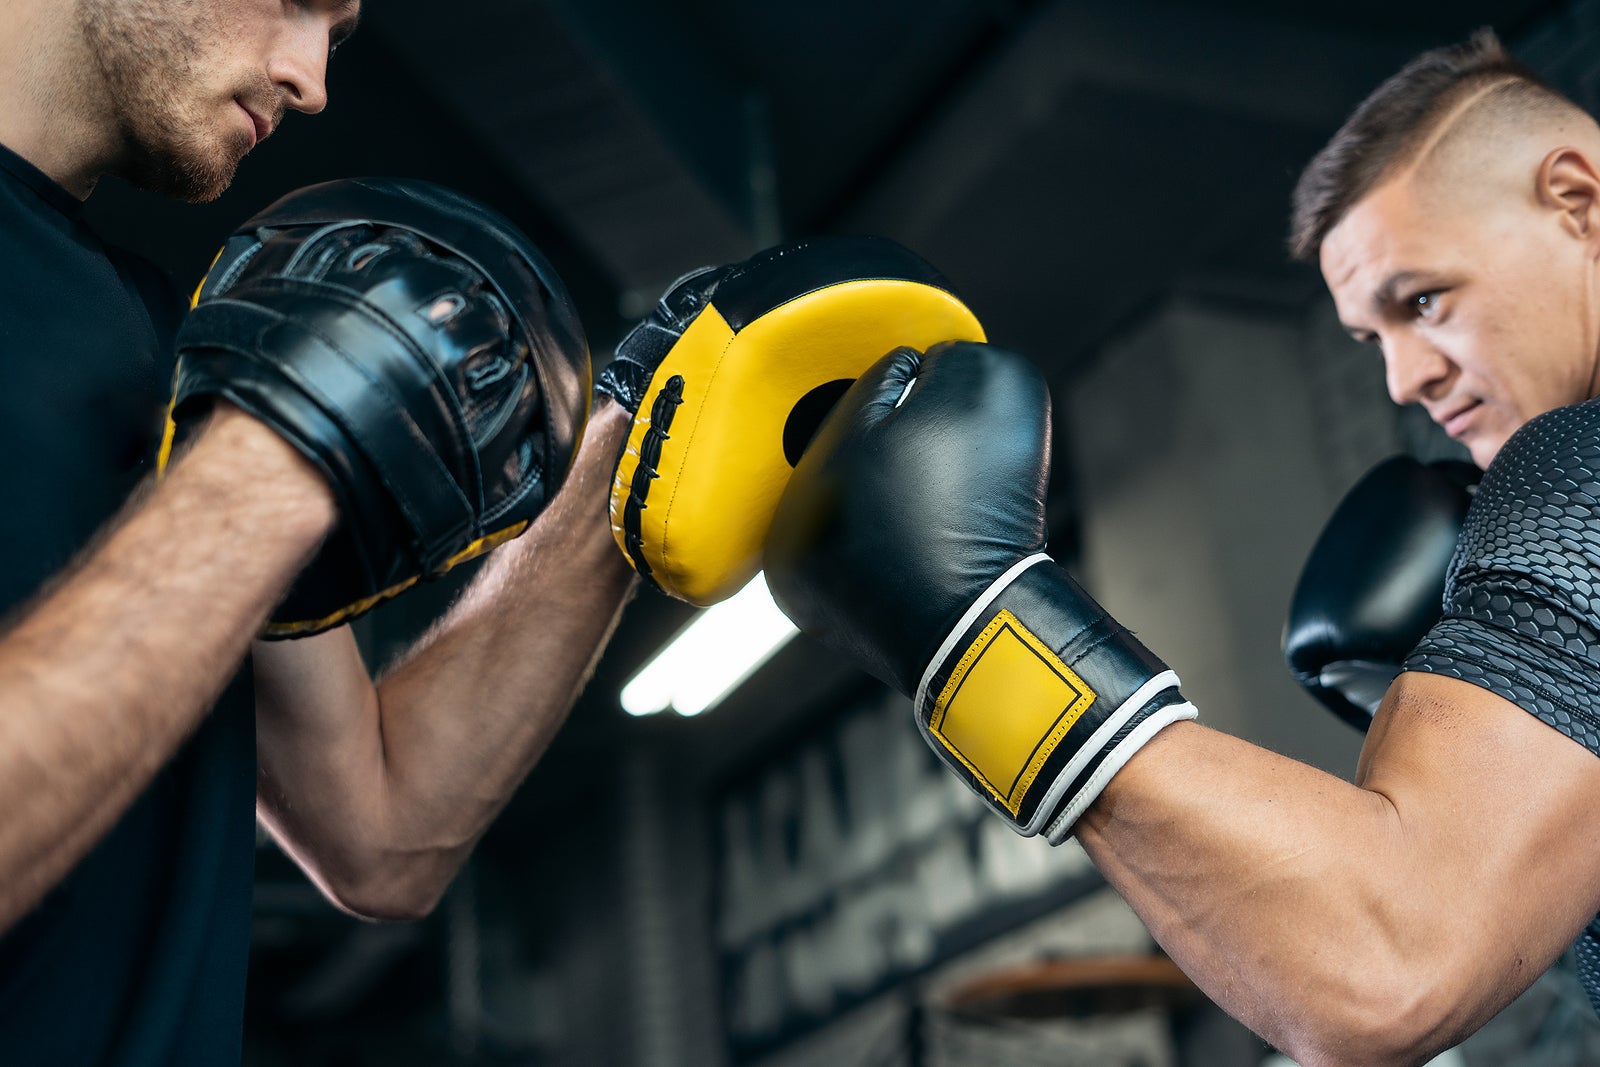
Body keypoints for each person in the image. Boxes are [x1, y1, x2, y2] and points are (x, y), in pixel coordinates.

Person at [764, 30, 1600, 1067]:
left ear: (1577, 200)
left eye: (1423, 300)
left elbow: (1389, 959)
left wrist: (973, 623)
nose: (1402, 380)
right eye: (1369, 337)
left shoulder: (1580, 462)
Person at [0, 1, 640, 1062]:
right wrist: (275, 468)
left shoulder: (157, 340)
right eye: (293, 0)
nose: (309, 78)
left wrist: (631, 467)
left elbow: (381, 830)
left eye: (335, 36)